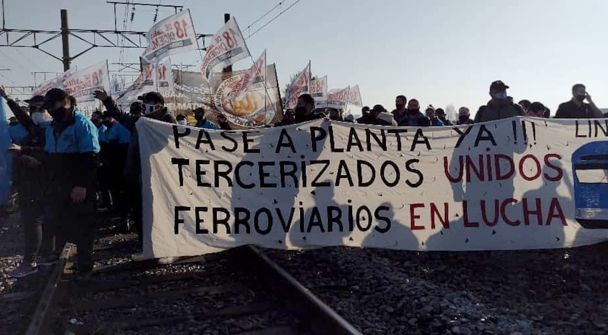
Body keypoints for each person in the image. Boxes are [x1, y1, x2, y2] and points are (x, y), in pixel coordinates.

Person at [10, 88, 100, 275]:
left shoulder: (81, 124)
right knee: (61, 222)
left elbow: (90, 157)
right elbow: (48, 154)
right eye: (48, 107)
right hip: (58, 182)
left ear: (65, 103)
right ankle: (60, 258)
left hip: (77, 181)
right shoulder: (52, 127)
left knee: (82, 224)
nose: (50, 110)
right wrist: (25, 151)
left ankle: (85, 266)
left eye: (53, 106)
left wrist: (82, 185)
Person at [94, 89, 175, 258]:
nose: (143, 108)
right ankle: (147, 247)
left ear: (157, 106)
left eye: (147, 104)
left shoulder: (169, 122)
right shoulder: (140, 122)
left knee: (162, 212)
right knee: (141, 212)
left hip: (161, 177)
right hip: (139, 175)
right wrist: (107, 100)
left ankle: (166, 247)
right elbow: (120, 115)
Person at [1, 90, 53, 277]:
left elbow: (46, 157)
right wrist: (7, 99)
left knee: (33, 221)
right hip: (36, 182)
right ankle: (46, 256)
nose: (31, 113)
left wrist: (22, 151)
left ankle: (30, 262)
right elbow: (24, 119)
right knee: (43, 220)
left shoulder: (51, 130)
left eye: (34, 108)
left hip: (38, 183)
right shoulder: (40, 127)